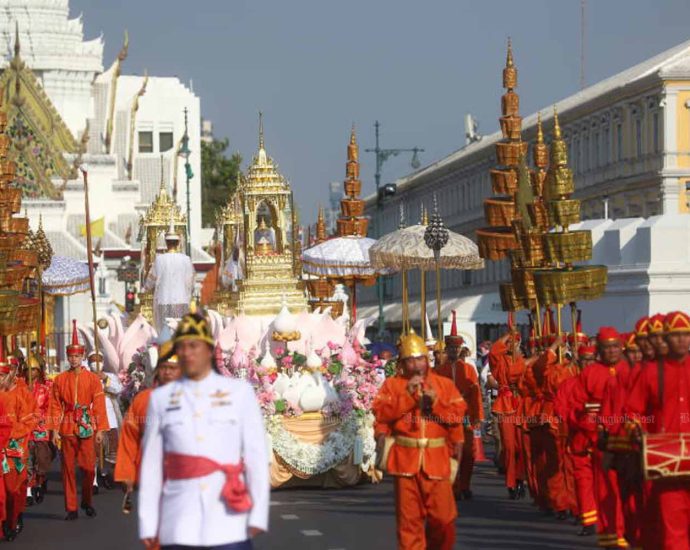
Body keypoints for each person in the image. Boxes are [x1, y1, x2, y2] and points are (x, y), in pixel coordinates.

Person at [138, 311, 269, 549]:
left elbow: (256, 456)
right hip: (179, 518)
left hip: (227, 515)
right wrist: (149, 521)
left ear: (209, 350)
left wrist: (259, 511)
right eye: (182, 347)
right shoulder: (161, 399)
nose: (187, 353)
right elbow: (151, 465)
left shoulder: (239, 393)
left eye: (194, 346)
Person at [373, 329, 465, 550]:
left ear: (428, 359)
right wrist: (407, 396)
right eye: (410, 360)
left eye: (420, 359)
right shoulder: (392, 386)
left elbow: (457, 416)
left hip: (438, 460)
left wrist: (436, 405)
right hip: (405, 461)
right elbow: (381, 414)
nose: (416, 365)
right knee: (409, 524)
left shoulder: (444, 385)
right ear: (402, 363)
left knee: (444, 520)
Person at [626, 311, 690, 550]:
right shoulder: (650, 373)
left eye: (686, 335)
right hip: (667, 464)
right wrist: (638, 432)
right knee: (673, 532)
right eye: (676, 335)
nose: (682, 340)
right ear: (665, 337)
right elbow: (632, 412)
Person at [571, 327, 629, 548]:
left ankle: (628, 534)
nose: (612, 352)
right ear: (600, 351)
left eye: (616, 347)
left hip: (629, 442)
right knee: (607, 492)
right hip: (600, 442)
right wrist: (592, 427)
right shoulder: (589, 373)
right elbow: (577, 407)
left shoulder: (631, 370)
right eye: (607, 348)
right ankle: (611, 537)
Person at [47, 321, 109, 520]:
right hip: (66, 427)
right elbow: (55, 405)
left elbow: (99, 405)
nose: (73, 359)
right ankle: (71, 508)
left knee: (89, 468)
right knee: (67, 469)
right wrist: (54, 428)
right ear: (67, 357)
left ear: (82, 356)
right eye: (70, 356)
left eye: (76, 356)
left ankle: (87, 501)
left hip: (87, 426)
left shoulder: (93, 379)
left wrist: (100, 429)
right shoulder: (60, 379)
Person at [114, 339, 182, 506]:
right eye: (164, 367)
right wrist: (126, 472)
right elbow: (129, 439)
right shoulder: (142, 400)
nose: (168, 373)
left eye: (173, 368)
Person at [436, 311, 483, 500]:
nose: (454, 351)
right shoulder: (440, 370)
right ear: (447, 349)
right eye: (451, 348)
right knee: (452, 453)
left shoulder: (469, 369)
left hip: (466, 417)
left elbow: (476, 393)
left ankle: (465, 485)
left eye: (457, 348)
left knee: (469, 455)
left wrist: (477, 416)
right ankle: (453, 487)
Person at [0, 343, 37, 541]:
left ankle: (14, 518)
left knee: (14, 489)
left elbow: (30, 419)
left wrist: (10, 434)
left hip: (14, 448)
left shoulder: (22, 393)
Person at [488, 322, 527, 499]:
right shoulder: (500, 360)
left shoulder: (523, 361)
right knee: (510, 447)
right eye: (509, 342)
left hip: (523, 406)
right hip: (505, 406)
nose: (512, 345)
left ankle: (520, 479)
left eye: (516, 341)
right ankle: (511, 482)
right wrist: (507, 334)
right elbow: (494, 351)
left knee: (522, 448)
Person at [144, 226, 195, 333]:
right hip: (181, 301)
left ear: (166, 243)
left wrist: (147, 287)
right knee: (179, 331)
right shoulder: (186, 259)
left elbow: (150, 281)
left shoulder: (159, 259)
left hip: (164, 300)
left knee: (165, 332)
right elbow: (190, 282)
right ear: (178, 242)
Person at [88, 351, 122, 490]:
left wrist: (105, 379)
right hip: (91, 417)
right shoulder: (85, 376)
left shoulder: (111, 376)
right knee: (93, 451)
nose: (96, 362)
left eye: (99, 359)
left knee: (110, 448)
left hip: (109, 417)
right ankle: (93, 480)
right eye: (93, 359)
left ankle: (105, 473)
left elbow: (118, 389)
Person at [26, 353, 53, 506]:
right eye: (28, 369)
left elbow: (50, 407)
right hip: (26, 429)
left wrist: (48, 422)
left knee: (41, 458)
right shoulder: (21, 388)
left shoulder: (45, 388)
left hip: (41, 428)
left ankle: (41, 480)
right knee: (28, 460)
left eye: (34, 369)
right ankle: (29, 491)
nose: (31, 372)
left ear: (38, 371)